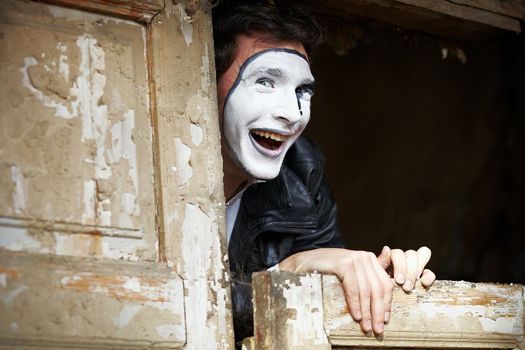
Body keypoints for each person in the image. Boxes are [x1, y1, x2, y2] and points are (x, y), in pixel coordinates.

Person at [212, 0, 436, 344]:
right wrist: (284, 274)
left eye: (303, 90)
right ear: (204, 82)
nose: (292, 113)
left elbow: (325, 294)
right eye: (265, 82)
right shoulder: (142, 172)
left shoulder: (303, 172)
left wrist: (381, 280)